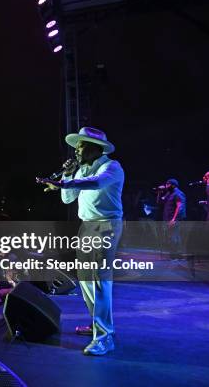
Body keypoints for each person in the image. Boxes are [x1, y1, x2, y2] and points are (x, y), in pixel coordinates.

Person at [37, 126, 124, 356]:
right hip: (86, 226)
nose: (76, 150)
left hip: (107, 226)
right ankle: (98, 326)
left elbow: (96, 183)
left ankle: (105, 337)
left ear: (96, 148)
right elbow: (67, 199)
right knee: (85, 279)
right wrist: (66, 177)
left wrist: (66, 183)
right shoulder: (81, 170)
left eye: (81, 145)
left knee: (99, 281)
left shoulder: (111, 167)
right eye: (76, 146)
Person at [156, 178, 186, 259]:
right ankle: (174, 255)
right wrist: (159, 192)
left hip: (174, 219)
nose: (166, 186)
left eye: (167, 184)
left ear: (173, 185)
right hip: (168, 218)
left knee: (174, 237)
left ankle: (176, 255)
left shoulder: (178, 193)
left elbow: (179, 207)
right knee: (171, 237)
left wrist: (174, 219)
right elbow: (159, 202)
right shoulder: (169, 193)